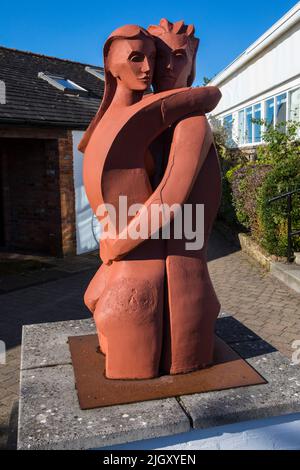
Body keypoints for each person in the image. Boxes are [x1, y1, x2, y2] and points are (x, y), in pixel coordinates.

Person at [80, 24, 221, 379]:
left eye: (177, 58)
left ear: (192, 63)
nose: (162, 69)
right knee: (97, 299)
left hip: (176, 270)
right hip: (145, 256)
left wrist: (116, 245)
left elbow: (170, 196)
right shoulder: (160, 122)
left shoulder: (191, 124)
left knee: (127, 329)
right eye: (160, 59)